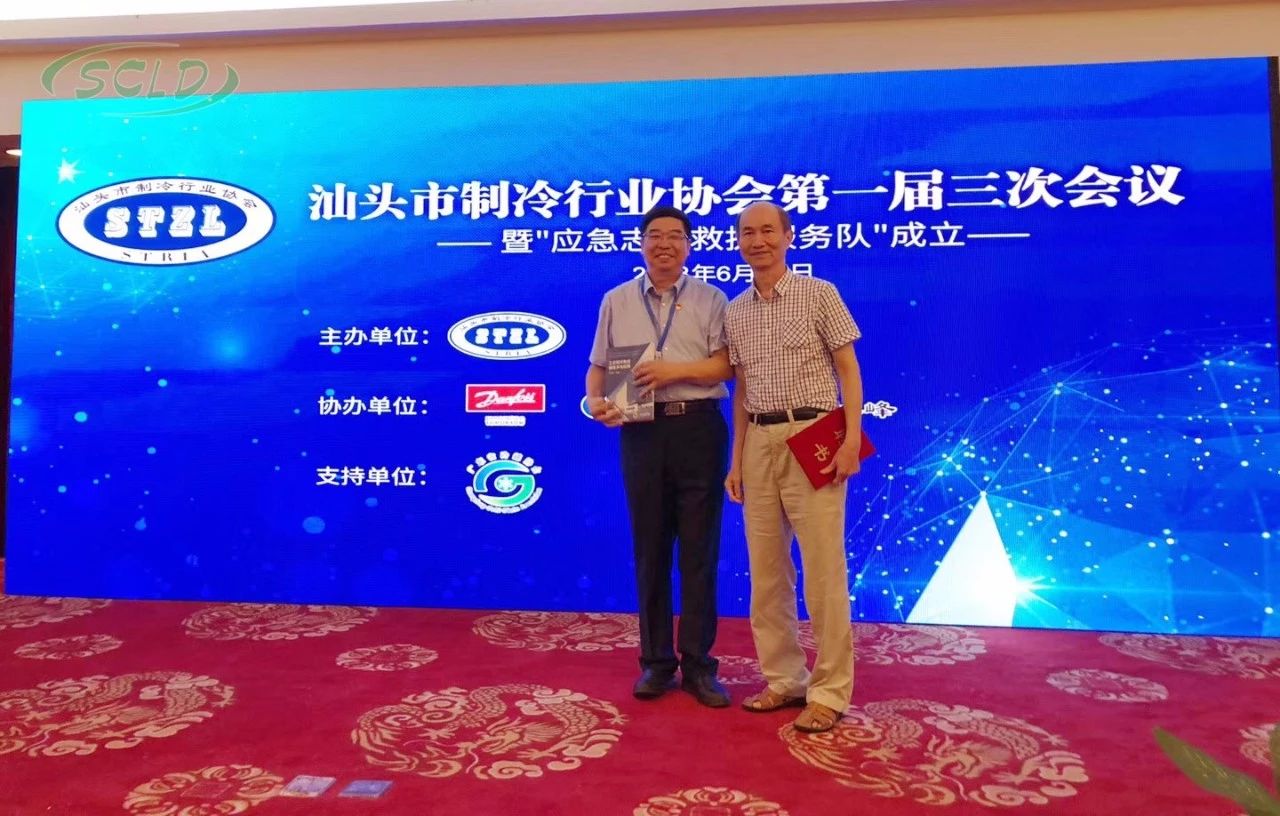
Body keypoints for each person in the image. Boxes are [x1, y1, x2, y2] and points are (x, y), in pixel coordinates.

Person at [723, 200, 863, 734]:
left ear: (788, 236)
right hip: (758, 441)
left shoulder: (819, 293)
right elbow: (740, 391)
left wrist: (851, 439)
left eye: (767, 231)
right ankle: (784, 680)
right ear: (739, 242)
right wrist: (736, 459)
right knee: (767, 574)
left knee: (824, 571)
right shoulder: (736, 310)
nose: (757, 241)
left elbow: (848, 369)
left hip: (815, 435)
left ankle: (829, 692)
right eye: (747, 233)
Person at [586, 204, 734, 708]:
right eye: (655, 235)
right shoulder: (617, 299)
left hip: (698, 428)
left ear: (688, 246)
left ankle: (698, 665)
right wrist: (595, 403)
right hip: (640, 431)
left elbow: (725, 366)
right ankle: (655, 662)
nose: (664, 243)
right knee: (649, 549)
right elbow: (599, 367)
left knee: (699, 551)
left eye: (675, 235)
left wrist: (673, 371)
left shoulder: (712, 298)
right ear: (641, 243)